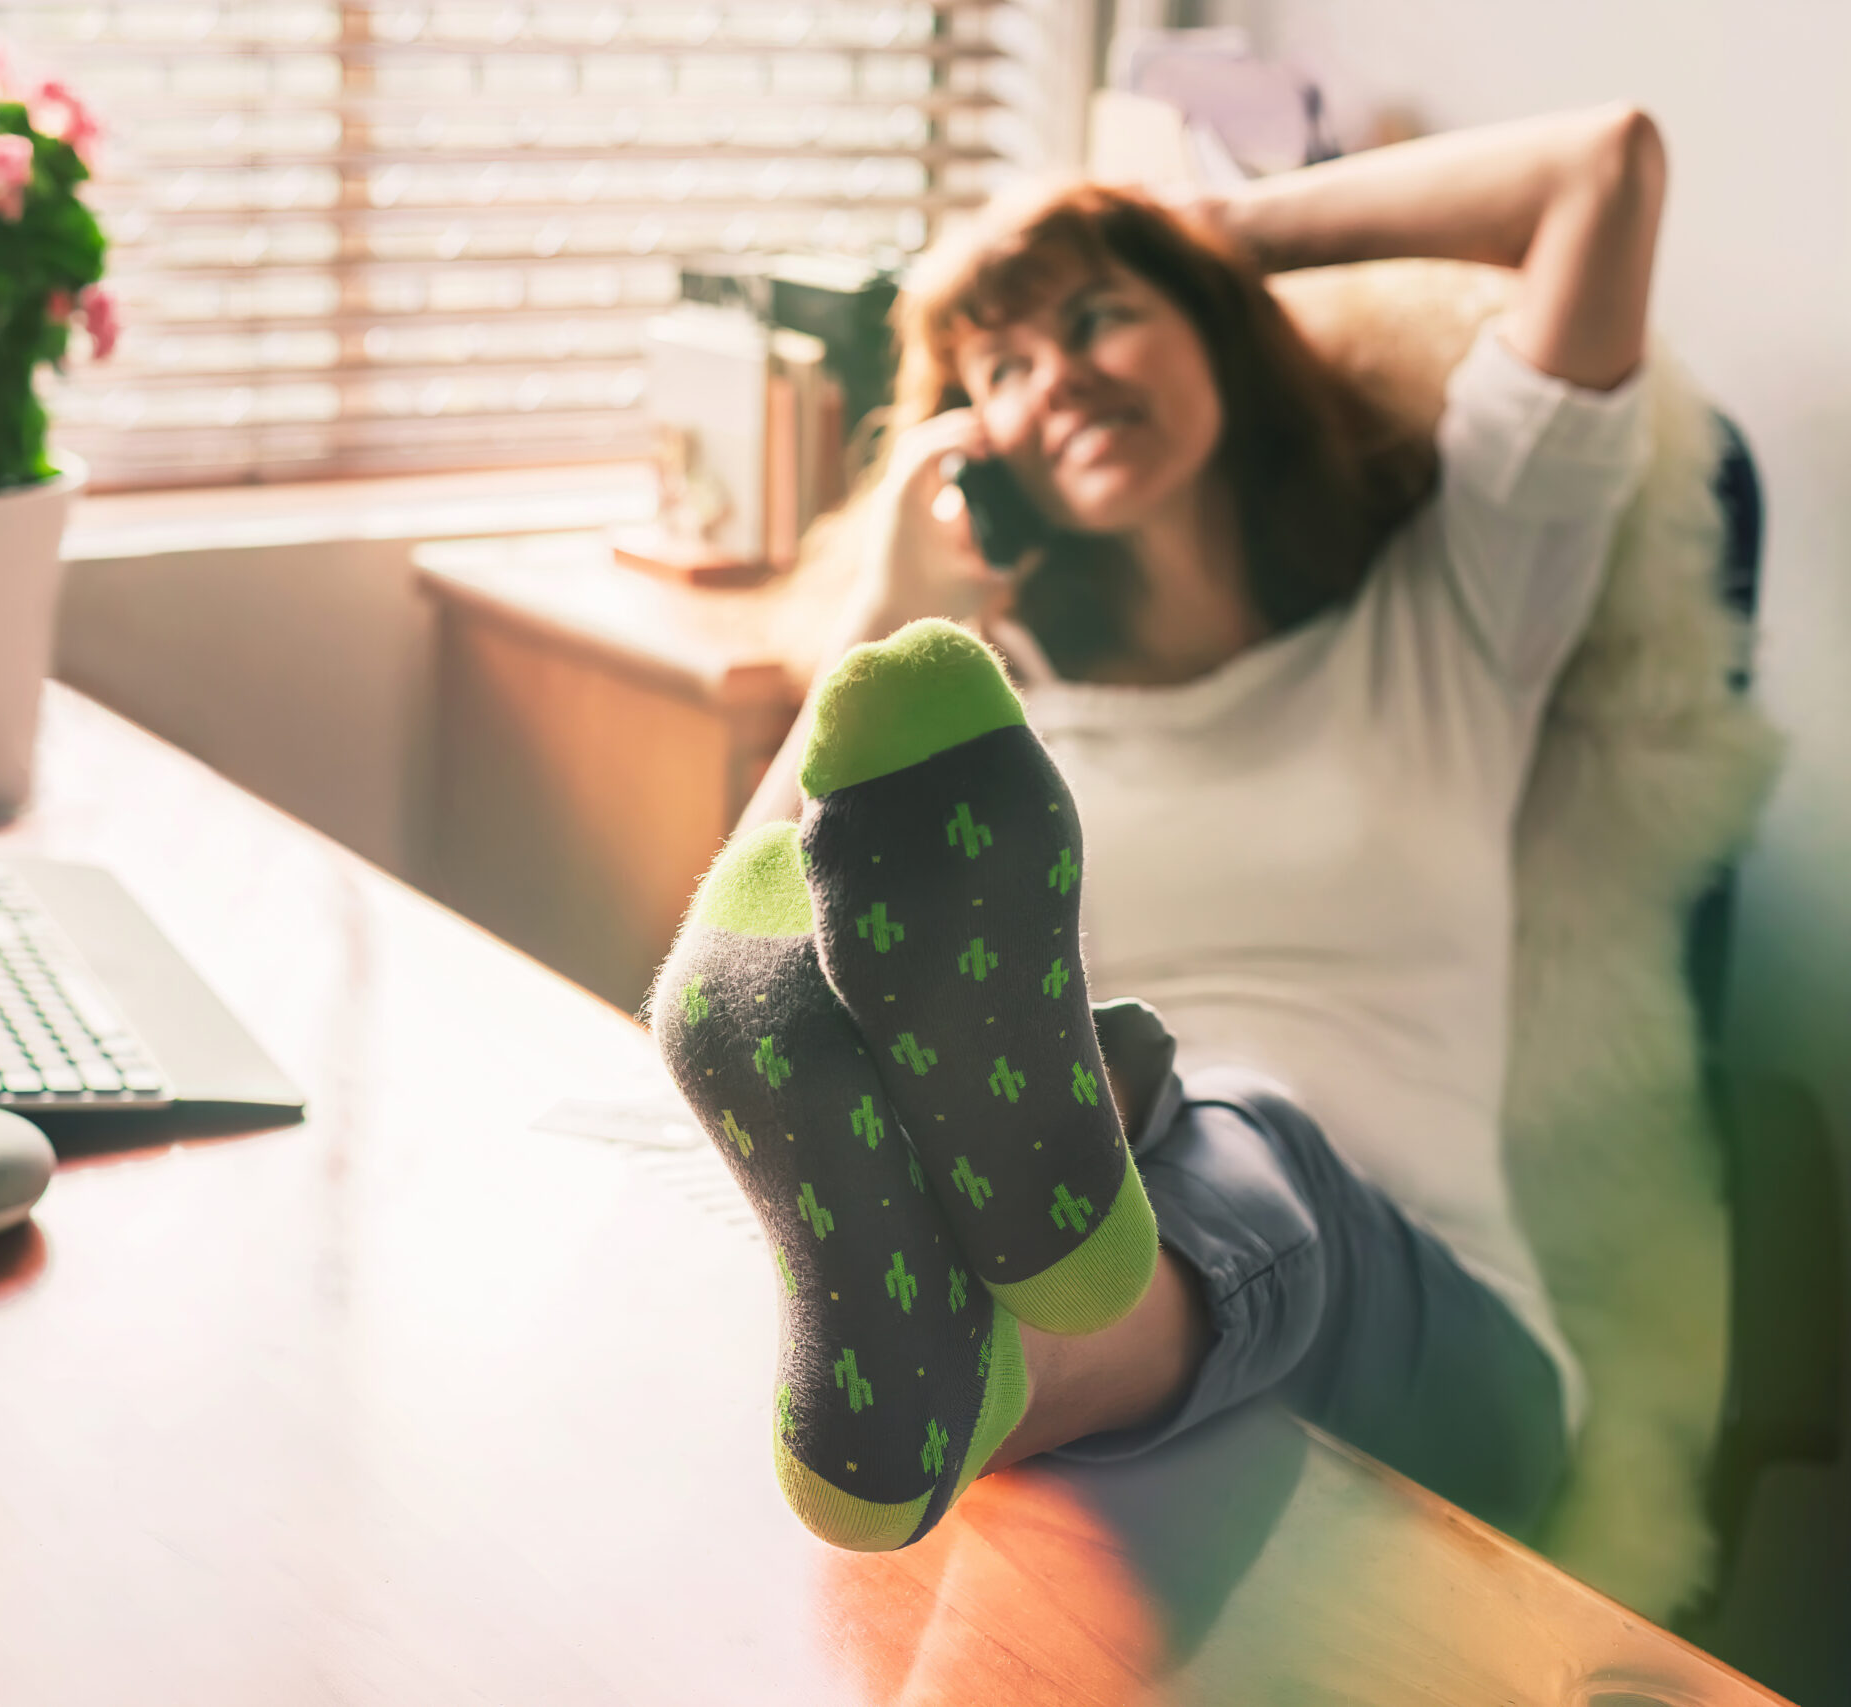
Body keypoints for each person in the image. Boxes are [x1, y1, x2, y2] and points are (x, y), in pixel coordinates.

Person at [652, 104, 1666, 1549]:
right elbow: (750, 952)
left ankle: (970, 1383)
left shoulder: (1452, 617)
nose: (1058, 375)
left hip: (1446, 1377)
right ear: (977, 448)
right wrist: (890, 616)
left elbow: (1602, 170)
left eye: (1100, 316)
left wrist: (1205, 237)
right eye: (1004, 363)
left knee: (1251, 1141)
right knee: (1114, 1078)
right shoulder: (985, 747)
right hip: (1149, 1353)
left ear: (1214, 324)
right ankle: (984, 1331)